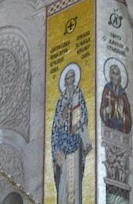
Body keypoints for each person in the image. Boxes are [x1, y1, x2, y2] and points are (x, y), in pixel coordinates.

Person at [50, 66, 91, 204]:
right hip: (62, 143)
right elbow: (56, 123)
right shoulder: (61, 100)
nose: (71, 80)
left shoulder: (79, 95)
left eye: (73, 77)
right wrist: (64, 111)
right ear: (65, 82)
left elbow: (84, 115)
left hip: (75, 142)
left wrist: (77, 126)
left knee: (74, 176)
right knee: (62, 173)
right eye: (68, 78)